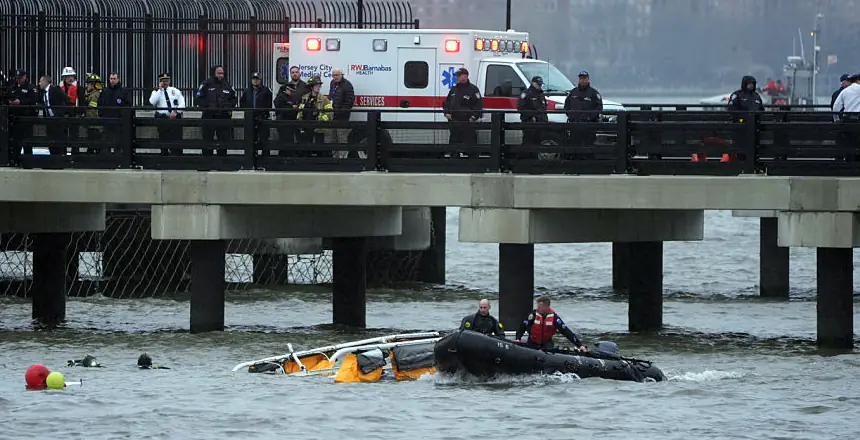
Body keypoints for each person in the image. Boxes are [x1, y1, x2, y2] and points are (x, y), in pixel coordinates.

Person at [514, 295, 587, 351]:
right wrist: (518, 338)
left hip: (547, 343)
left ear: (547, 307)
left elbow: (566, 332)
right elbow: (522, 327)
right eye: (538, 307)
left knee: (549, 352)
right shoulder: (533, 315)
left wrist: (579, 345)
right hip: (533, 341)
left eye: (540, 307)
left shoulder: (554, 318)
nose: (537, 309)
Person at [196, 65, 238, 156]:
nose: (221, 75)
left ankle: (222, 161)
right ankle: (207, 161)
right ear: (214, 73)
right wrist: (208, 106)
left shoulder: (228, 85)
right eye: (219, 73)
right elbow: (198, 98)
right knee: (207, 140)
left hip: (224, 117)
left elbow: (234, 99)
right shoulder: (205, 84)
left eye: (222, 73)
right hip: (209, 116)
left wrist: (227, 107)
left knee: (223, 140)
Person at [442, 67, 483, 158]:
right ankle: (454, 164)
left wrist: (473, 117)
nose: (457, 77)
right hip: (455, 122)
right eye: (457, 76)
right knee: (454, 145)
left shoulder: (473, 90)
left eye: (459, 75)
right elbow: (447, 103)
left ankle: (473, 165)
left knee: (470, 146)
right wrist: (446, 113)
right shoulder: (454, 89)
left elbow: (478, 105)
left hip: (467, 123)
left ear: (465, 76)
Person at [149, 72, 186, 156]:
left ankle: (177, 156)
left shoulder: (175, 91)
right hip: (163, 118)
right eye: (163, 81)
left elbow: (182, 103)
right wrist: (160, 90)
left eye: (166, 80)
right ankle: (164, 155)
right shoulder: (155, 92)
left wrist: (176, 112)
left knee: (176, 138)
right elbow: (152, 102)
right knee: (163, 138)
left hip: (175, 117)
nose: (165, 82)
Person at [296, 76, 333, 148]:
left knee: (319, 148)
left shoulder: (324, 99)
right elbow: (300, 111)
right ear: (311, 87)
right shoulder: (305, 97)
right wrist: (299, 122)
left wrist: (320, 120)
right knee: (305, 148)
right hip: (305, 127)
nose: (318, 87)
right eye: (316, 86)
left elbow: (330, 113)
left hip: (318, 129)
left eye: (319, 86)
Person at [239, 71, 273, 146]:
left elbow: (269, 103)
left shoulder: (266, 90)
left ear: (260, 80)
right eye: (254, 79)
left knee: (264, 140)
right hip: (250, 118)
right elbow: (242, 102)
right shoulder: (247, 91)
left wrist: (263, 113)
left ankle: (265, 156)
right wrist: (247, 111)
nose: (255, 81)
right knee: (250, 140)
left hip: (262, 118)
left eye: (257, 79)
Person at [328, 67, 356, 158]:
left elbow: (349, 102)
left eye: (337, 75)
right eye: (333, 75)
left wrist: (340, 112)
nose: (335, 77)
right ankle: (335, 157)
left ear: (341, 75)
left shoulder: (347, 85)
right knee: (333, 138)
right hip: (332, 116)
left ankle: (343, 158)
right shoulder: (332, 83)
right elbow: (331, 96)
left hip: (342, 117)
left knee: (342, 138)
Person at [517, 76, 548, 149]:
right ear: (533, 83)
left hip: (541, 123)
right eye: (538, 84)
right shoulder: (526, 94)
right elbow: (521, 108)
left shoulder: (541, 94)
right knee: (528, 143)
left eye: (541, 84)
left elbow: (544, 107)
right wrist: (531, 117)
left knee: (538, 143)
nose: (540, 86)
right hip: (529, 123)